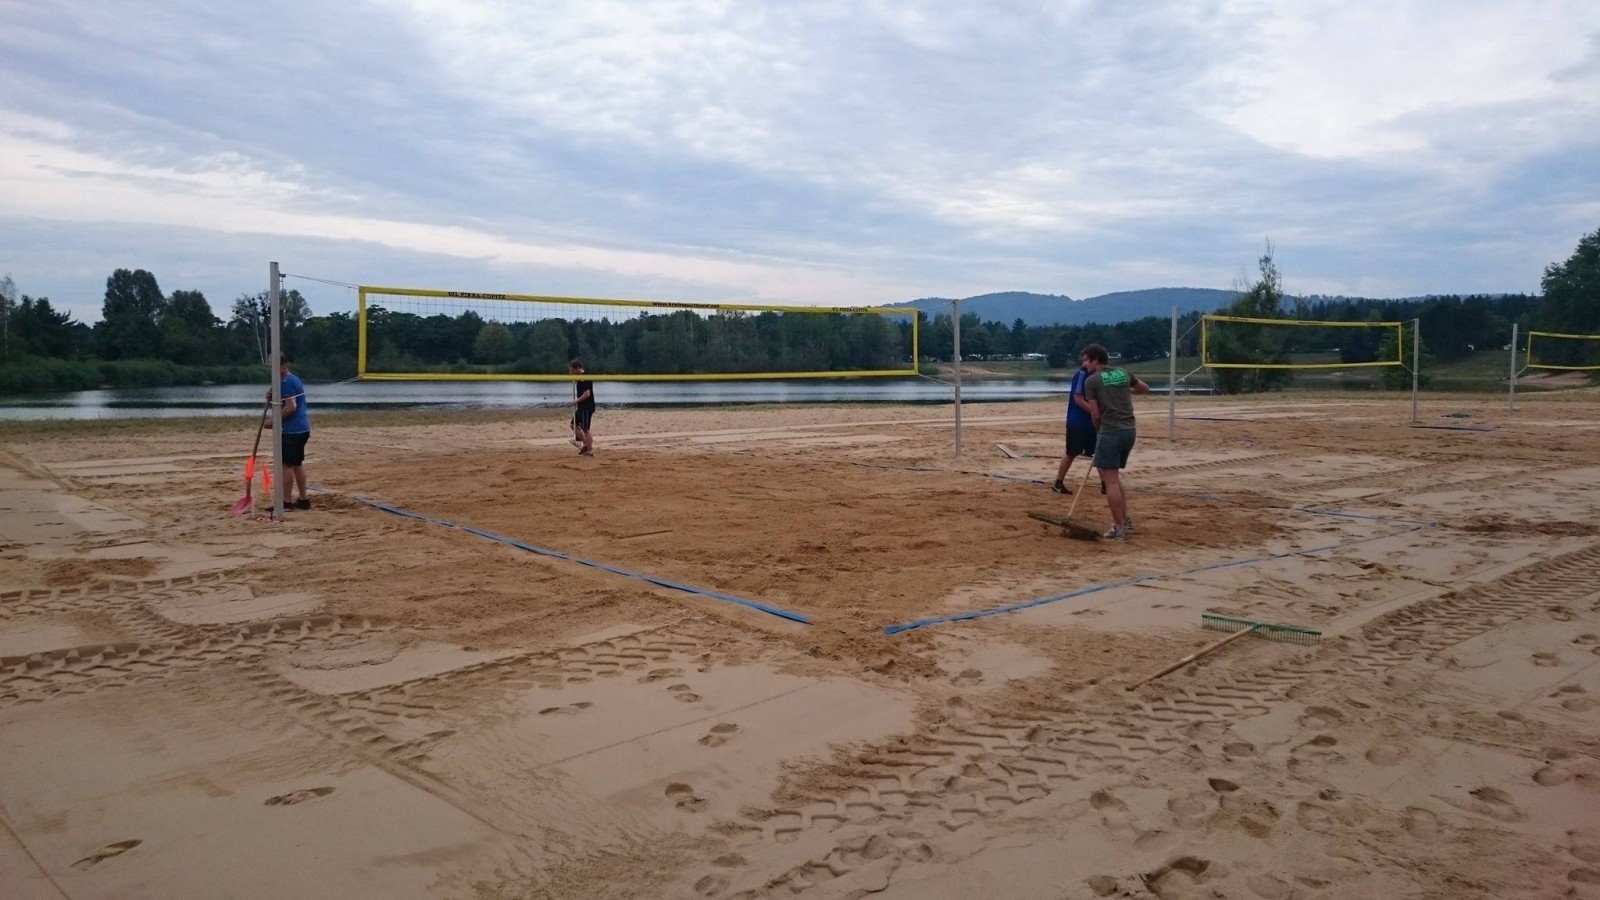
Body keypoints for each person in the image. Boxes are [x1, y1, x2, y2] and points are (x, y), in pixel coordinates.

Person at [1080, 344, 1149, 540]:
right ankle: (1124, 519)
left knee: (1109, 481)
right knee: (1114, 477)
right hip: (1129, 431)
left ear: (1095, 360)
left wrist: (1098, 431)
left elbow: (1095, 414)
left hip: (1110, 431)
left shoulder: (1092, 381)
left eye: (1086, 360)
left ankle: (1119, 528)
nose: (1084, 365)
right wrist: (1124, 391)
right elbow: (1144, 389)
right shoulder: (1122, 372)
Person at [263, 353, 312, 510]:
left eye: (272, 365)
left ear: (280, 364)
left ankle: (286, 502)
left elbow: (291, 407)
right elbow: (285, 401)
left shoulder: (287, 382)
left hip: (293, 431)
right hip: (301, 429)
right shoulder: (290, 380)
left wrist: (274, 421)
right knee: (296, 464)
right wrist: (273, 396)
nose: (270, 369)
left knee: (287, 466)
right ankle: (304, 500)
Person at [1052, 351, 1096, 494]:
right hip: (1078, 422)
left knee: (1098, 453)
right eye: (1083, 361)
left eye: (1086, 361)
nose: (1083, 364)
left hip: (1092, 423)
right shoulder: (1081, 374)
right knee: (1071, 452)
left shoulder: (1100, 376)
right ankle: (1058, 483)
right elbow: (1078, 399)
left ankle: (1105, 484)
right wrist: (1095, 412)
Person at [569, 359, 595, 456]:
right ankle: (585, 444)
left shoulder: (585, 377)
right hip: (582, 406)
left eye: (572, 370)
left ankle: (590, 449)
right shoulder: (580, 378)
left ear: (577, 368)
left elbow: (587, 394)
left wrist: (576, 400)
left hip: (587, 406)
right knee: (573, 425)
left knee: (585, 428)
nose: (571, 372)